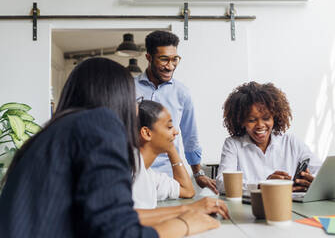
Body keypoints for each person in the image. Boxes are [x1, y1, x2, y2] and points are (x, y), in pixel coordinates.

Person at [0, 58, 221, 238]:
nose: (136, 108)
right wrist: (185, 224)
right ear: (118, 98)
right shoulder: (99, 123)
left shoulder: (56, 132)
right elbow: (118, 232)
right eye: (134, 99)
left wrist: (185, 210)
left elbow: (99, 220)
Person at [135, 30, 217, 193]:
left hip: (170, 176)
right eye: (164, 59)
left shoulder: (182, 93)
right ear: (149, 58)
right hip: (136, 172)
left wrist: (198, 173)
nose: (170, 66)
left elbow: (189, 136)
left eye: (175, 59)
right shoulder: (128, 88)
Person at [216, 81, 322, 193]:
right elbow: (222, 183)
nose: (260, 125)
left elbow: (320, 171)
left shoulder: (291, 142)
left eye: (266, 118)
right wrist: (262, 185)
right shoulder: (233, 144)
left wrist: (312, 181)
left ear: (274, 118)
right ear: (241, 121)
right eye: (251, 120)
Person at [132, 100, 195, 209]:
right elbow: (135, 218)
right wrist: (185, 211)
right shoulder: (131, 173)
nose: (176, 132)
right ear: (147, 133)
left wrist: (171, 149)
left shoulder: (149, 175)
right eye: (169, 127)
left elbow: (187, 190)